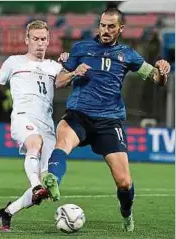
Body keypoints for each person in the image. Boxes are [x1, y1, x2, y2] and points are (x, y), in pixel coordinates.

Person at [41, 8, 171, 232]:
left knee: (124, 182)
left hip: (109, 122)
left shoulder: (127, 54)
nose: (105, 30)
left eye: (111, 26)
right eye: (102, 25)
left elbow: (156, 79)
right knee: (62, 142)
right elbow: (60, 81)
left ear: (121, 28)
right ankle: (53, 180)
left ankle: (126, 213)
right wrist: (74, 73)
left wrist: (163, 69)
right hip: (78, 114)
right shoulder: (81, 48)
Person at [0, 20, 63, 232]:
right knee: (34, 144)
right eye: (35, 39)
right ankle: (36, 184)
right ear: (27, 40)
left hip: (47, 125)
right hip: (23, 117)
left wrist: (69, 64)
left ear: (48, 41)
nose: (40, 43)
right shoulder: (14, 62)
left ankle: (7, 212)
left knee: (48, 187)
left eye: (43, 39)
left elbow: (71, 79)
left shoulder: (54, 67)